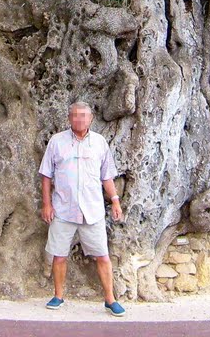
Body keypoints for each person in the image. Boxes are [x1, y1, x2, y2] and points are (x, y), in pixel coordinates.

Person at [38, 100, 126, 317]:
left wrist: (115, 200)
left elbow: (106, 176)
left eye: (83, 115)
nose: (79, 119)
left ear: (90, 119)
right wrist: (47, 204)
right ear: (69, 118)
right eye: (75, 115)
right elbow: (46, 175)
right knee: (59, 255)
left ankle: (110, 299)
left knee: (102, 256)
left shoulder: (99, 143)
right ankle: (58, 295)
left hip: (92, 209)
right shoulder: (57, 142)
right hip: (63, 209)